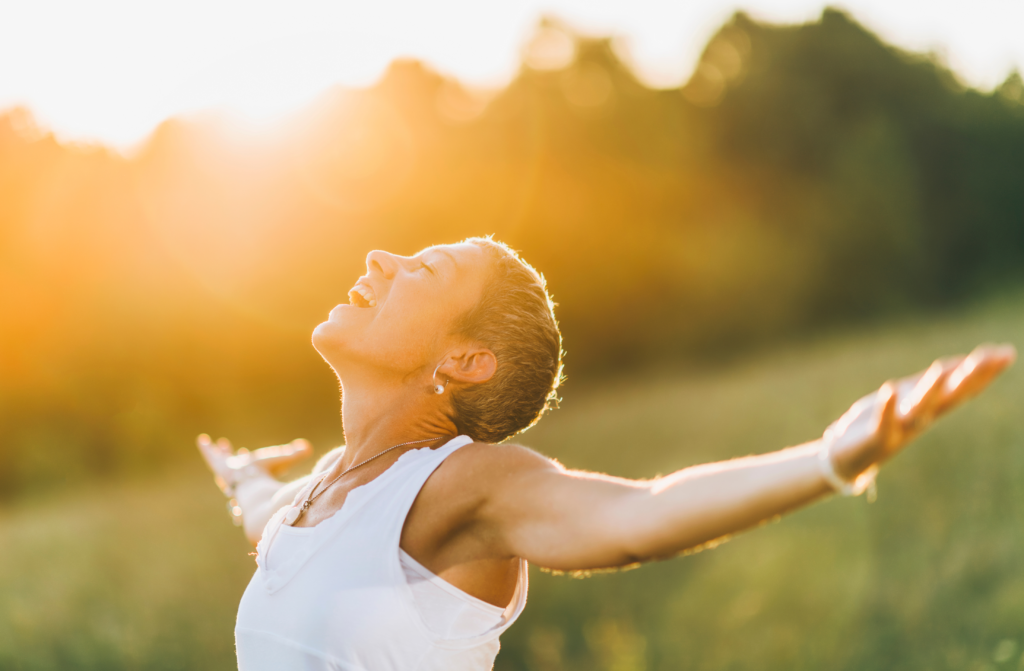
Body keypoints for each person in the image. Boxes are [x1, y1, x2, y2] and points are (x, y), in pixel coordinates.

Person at [197, 236, 1015, 671]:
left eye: (425, 267)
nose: (382, 258)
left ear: (465, 359)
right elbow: (272, 522)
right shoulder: (324, 491)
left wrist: (831, 457)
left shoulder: (462, 483)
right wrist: (244, 479)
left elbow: (637, 516)